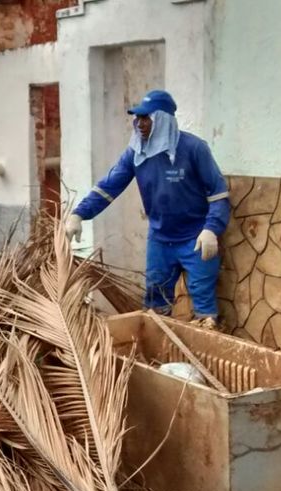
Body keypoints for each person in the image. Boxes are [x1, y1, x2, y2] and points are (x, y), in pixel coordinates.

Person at [65, 90, 230, 328]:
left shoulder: (194, 148)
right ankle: (162, 354)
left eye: (145, 118)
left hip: (195, 237)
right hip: (160, 240)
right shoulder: (136, 152)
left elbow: (218, 193)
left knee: (204, 309)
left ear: (162, 119)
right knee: (156, 306)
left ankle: (206, 353)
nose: (139, 124)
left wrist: (212, 229)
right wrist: (79, 214)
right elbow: (110, 186)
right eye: (137, 118)